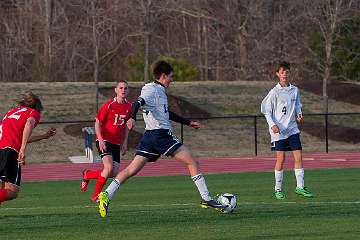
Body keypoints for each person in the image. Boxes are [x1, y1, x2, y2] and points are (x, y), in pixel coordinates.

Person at [97, 60, 225, 217]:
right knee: (192, 162)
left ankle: (106, 195)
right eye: (170, 76)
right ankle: (206, 198)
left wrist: (188, 122)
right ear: (163, 76)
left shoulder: (159, 91)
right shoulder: (151, 89)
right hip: (161, 135)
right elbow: (137, 103)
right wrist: (132, 117)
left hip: (150, 137)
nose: (172, 80)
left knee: (131, 170)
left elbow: (167, 113)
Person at [261, 61, 314, 200]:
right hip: (279, 131)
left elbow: (297, 105)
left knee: (298, 157)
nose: (284, 74)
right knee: (281, 159)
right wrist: (272, 124)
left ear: (289, 74)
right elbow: (266, 111)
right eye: (282, 72)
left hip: (292, 129)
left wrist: (299, 113)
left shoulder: (294, 90)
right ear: (278, 74)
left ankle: (300, 187)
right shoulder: (274, 92)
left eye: (287, 72)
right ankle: (278, 189)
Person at [0, 92, 57, 205]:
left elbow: (19, 138)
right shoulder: (33, 113)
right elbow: (29, 124)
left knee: (2, 186)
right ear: (37, 106)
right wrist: (22, 149)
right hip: (9, 151)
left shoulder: (11, 112)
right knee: (12, 191)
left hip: (2, 148)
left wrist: (44, 136)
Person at [81, 80, 131, 202]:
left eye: (125, 88)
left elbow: (127, 126)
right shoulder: (109, 105)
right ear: (116, 90)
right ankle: (96, 195)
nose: (123, 90)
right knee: (108, 168)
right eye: (121, 88)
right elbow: (97, 122)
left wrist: (124, 143)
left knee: (113, 173)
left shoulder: (129, 106)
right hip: (105, 140)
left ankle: (88, 174)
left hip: (116, 142)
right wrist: (101, 140)